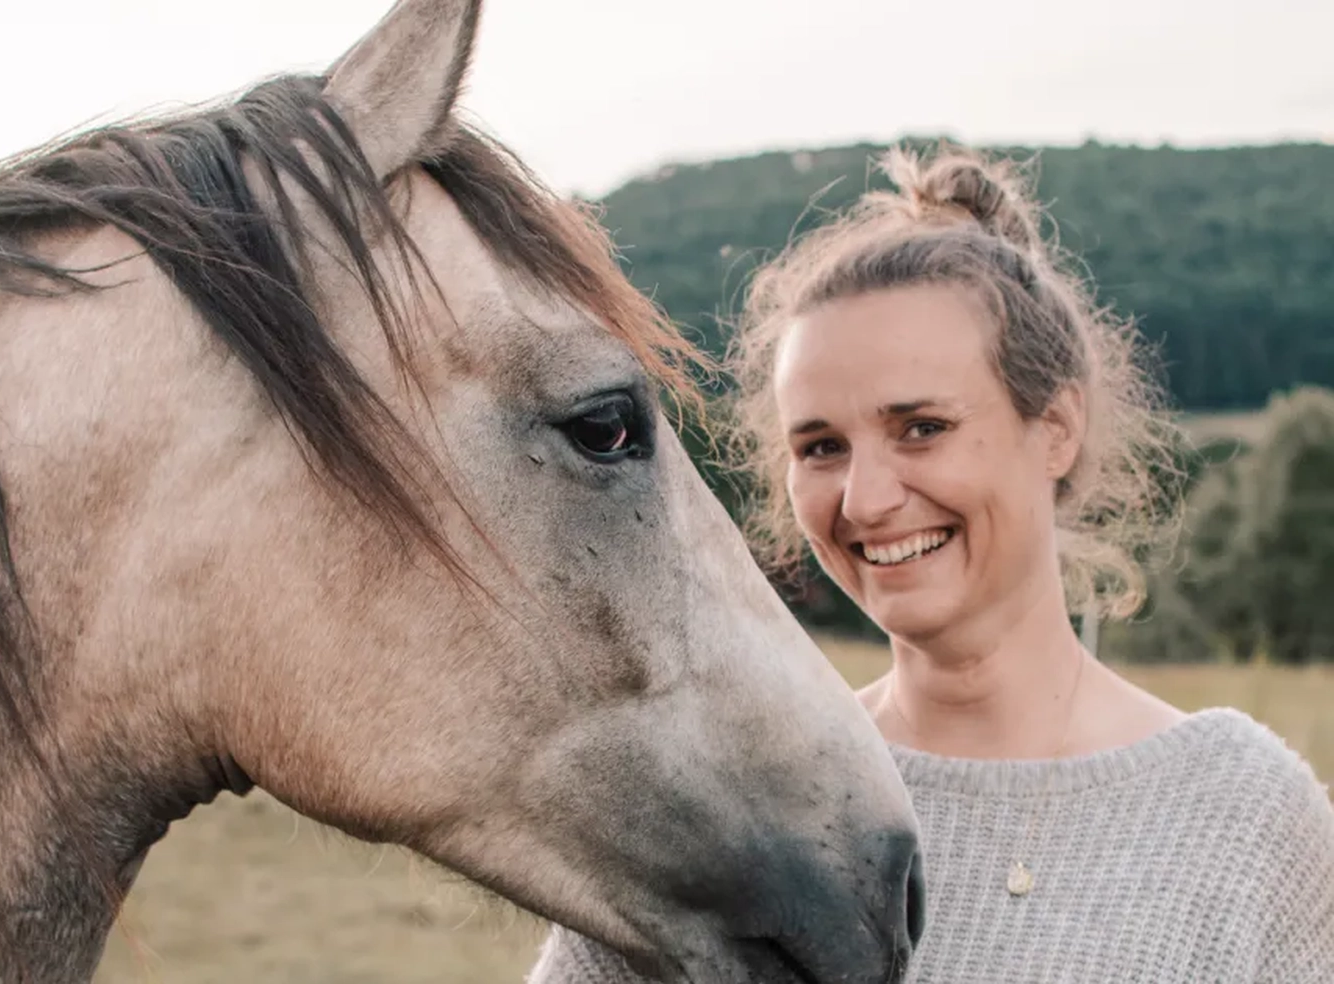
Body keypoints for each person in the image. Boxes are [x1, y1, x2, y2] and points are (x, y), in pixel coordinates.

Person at [526, 144, 1334, 983]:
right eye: (822, 446)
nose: (866, 499)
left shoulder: (1245, 815)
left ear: (1055, 428)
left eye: (922, 428)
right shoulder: (725, 804)